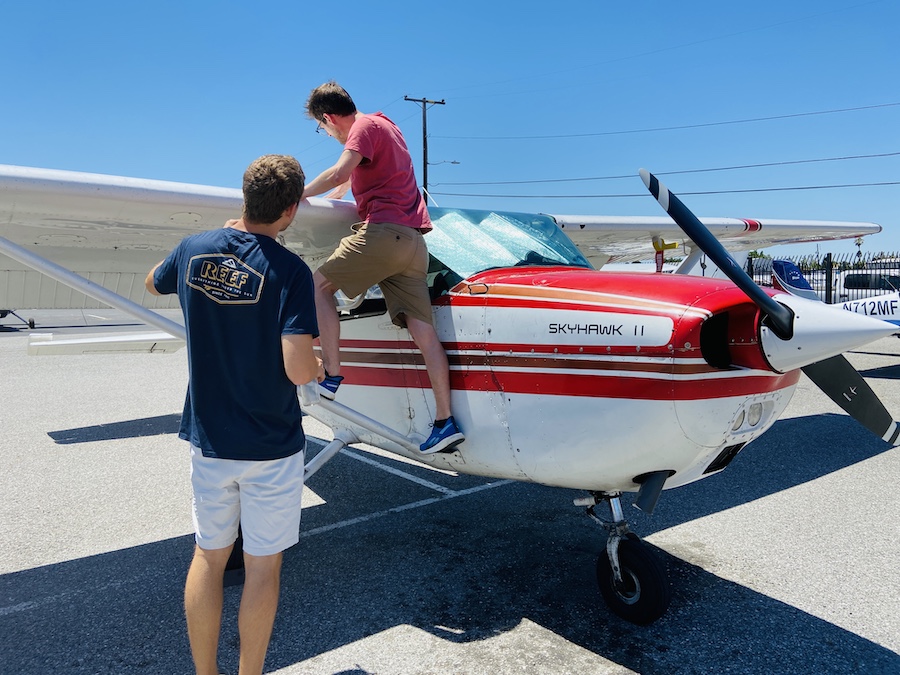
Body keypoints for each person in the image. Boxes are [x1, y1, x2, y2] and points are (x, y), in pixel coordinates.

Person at [145, 154, 323, 675]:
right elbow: (297, 369)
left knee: (208, 556)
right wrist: (319, 364)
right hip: (271, 445)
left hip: (210, 441)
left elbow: (153, 282)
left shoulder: (192, 249)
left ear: (244, 197)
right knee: (263, 570)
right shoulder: (291, 271)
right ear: (290, 210)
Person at [302, 80, 465, 455]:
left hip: (383, 233)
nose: (327, 133)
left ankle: (330, 376)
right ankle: (445, 421)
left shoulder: (361, 128)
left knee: (318, 286)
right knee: (424, 333)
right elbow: (353, 177)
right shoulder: (386, 125)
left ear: (328, 118)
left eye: (322, 127)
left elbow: (339, 172)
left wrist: (297, 195)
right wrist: (339, 191)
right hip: (413, 243)